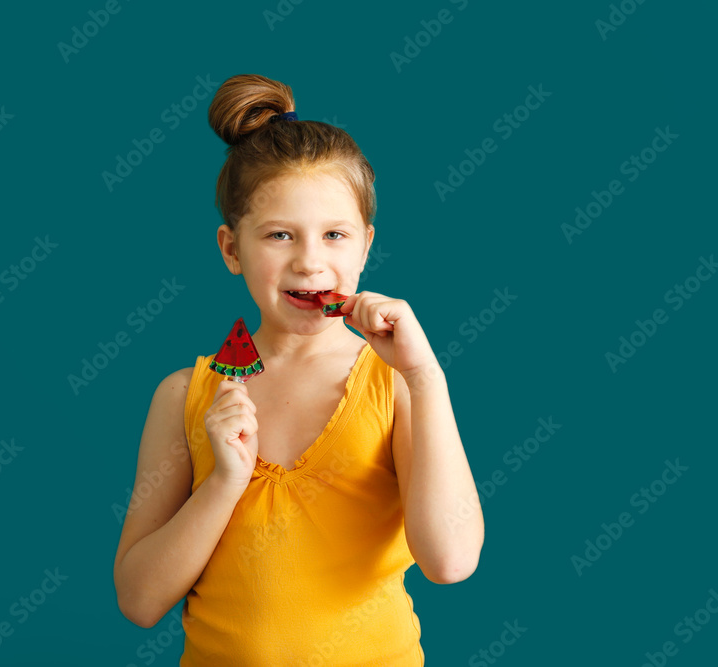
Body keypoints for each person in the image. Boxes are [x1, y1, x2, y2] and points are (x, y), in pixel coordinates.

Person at [114, 73, 484, 666]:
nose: (310, 261)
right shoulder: (185, 395)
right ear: (232, 250)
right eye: (280, 235)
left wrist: (426, 378)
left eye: (334, 235)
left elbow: (451, 560)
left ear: (364, 247)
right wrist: (222, 483)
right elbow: (138, 600)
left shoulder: (398, 385)